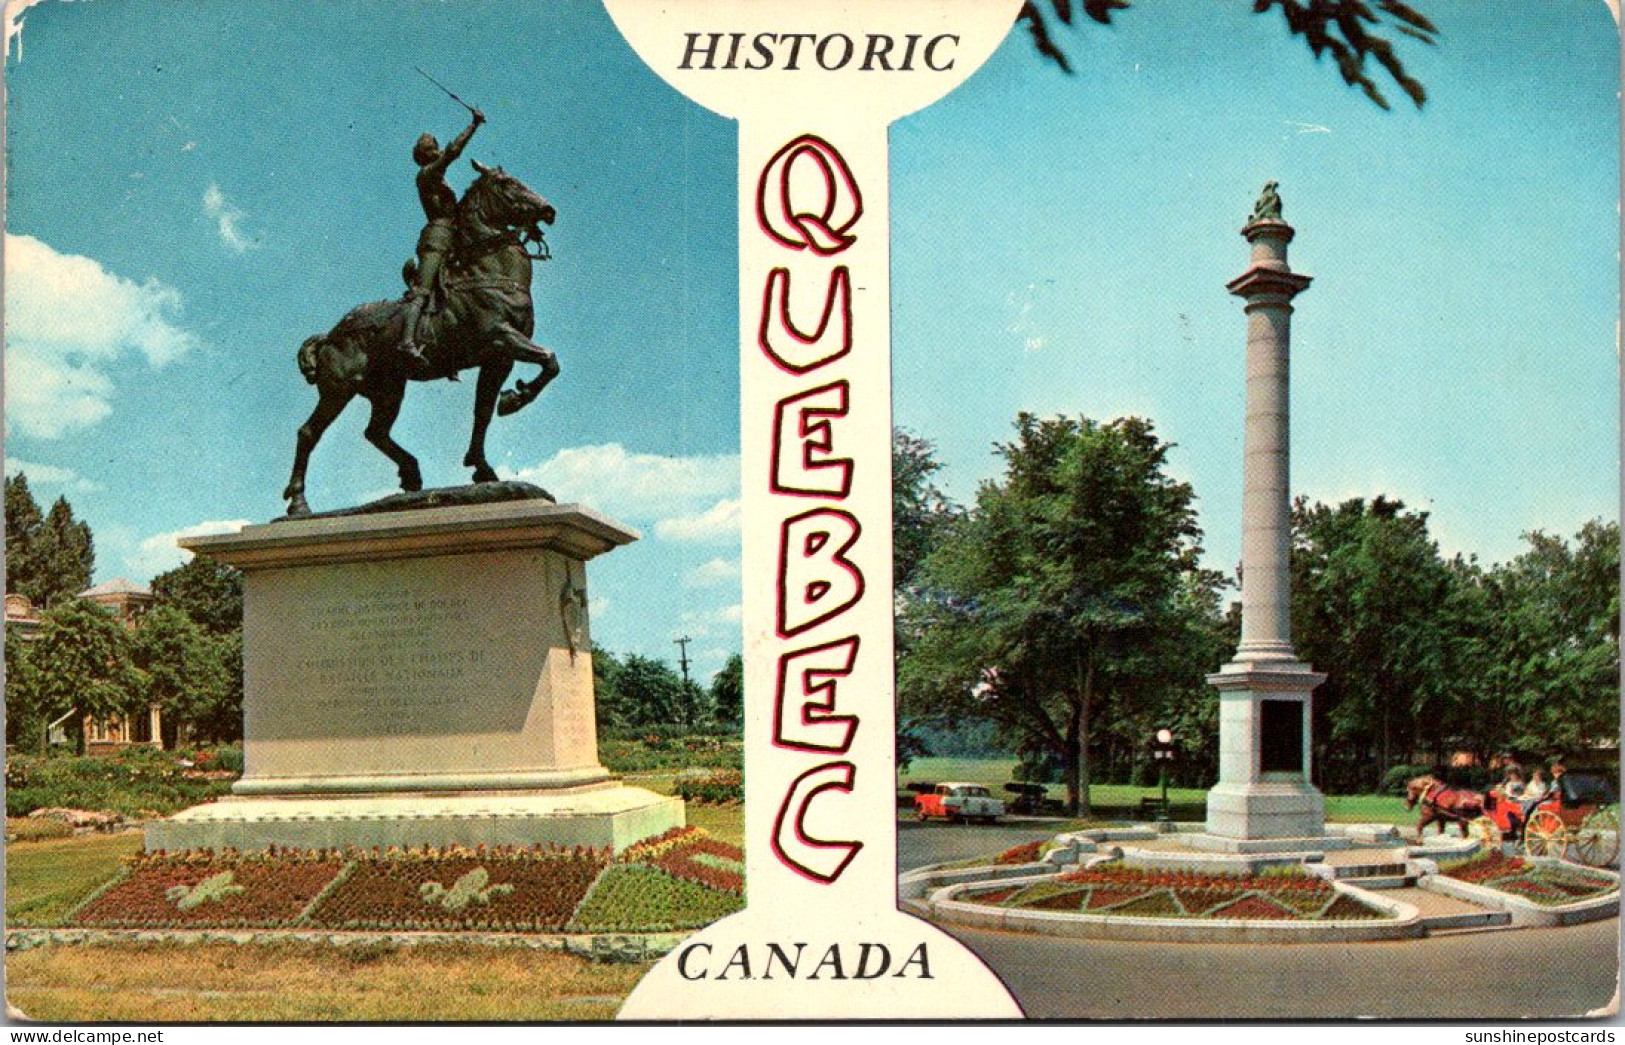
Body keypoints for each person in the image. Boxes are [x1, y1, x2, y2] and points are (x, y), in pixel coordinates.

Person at [400, 108, 485, 374]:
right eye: (431, 146)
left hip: (453, 238)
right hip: (437, 237)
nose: (436, 148)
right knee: (423, 290)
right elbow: (452, 152)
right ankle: (405, 342)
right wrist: (473, 126)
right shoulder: (426, 175)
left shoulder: (438, 179)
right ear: (424, 155)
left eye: (435, 145)